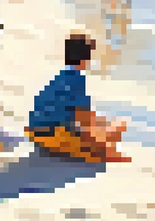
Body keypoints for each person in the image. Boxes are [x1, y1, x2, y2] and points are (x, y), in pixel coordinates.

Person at [26, 34, 130, 162]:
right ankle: (104, 152)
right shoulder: (77, 79)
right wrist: (102, 129)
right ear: (85, 60)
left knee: (103, 126)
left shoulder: (59, 78)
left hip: (35, 131)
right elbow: (83, 118)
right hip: (55, 135)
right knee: (118, 126)